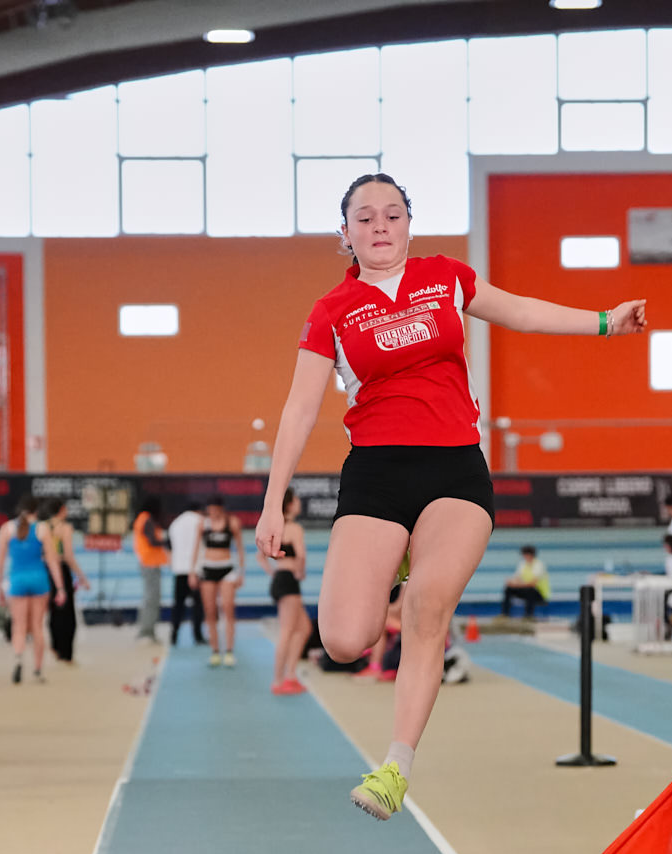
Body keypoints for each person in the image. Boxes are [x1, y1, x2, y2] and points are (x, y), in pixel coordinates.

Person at [254, 171, 647, 820]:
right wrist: (273, 502)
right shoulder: (331, 312)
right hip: (376, 473)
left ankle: (395, 766)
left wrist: (605, 321)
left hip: (453, 470)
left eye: (392, 214)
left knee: (425, 608)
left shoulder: (446, 277)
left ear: (409, 223)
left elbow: (522, 311)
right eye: (365, 217)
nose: (380, 226)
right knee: (344, 640)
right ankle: (397, 557)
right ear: (345, 233)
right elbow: (298, 411)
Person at [0, 497, 58, 684]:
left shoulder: (7, 529)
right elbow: (52, 560)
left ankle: (18, 659)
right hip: (39, 580)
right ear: (36, 511)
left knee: (19, 626)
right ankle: (38, 670)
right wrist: (61, 587)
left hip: (17, 581)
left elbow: (0, 561)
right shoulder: (42, 529)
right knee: (38, 627)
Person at [268, 492, 311, 695]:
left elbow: (261, 555)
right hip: (288, 580)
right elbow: (301, 555)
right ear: (291, 504)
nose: (299, 503)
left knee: (304, 628)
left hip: (280, 578)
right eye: (297, 500)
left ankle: (290, 675)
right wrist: (300, 572)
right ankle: (278, 680)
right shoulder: (294, 528)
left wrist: (274, 572)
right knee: (287, 631)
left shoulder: (277, 528)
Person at [193, 495, 244, 666]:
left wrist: (241, 572)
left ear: (221, 509)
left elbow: (240, 548)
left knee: (228, 609)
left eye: (215, 510)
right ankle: (215, 651)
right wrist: (193, 571)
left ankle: (229, 651)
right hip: (208, 569)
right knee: (210, 611)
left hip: (226, 569)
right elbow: (197, 548)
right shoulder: (203, 524)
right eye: (210, 510)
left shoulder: (232, 523)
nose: (213, 513)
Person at [44, 499, 90, 664]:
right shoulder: (65, 528)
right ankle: (66, 653)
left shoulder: (43, 527)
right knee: (67, 614)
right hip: (61, 570)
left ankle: (55, 646)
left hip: (46, 570)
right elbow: (68, 556)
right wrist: (82, 577)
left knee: (53, 611)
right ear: (62, 510)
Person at [167, 499, 206, 646]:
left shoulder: (175, 523)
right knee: (198, 606)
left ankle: (174, 635)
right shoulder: (200, 521)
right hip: (196, 570)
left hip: (179, 569)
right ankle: (197, 635)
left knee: (178, 605)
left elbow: (169, 547)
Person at [132, 498, 167, 644]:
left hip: (149, 563)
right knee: (151, 599)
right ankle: (145, 632)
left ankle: (149, 631)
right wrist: (167, 541)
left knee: (151, 598)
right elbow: (152, 540)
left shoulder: (143, 519)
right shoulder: (146, 519)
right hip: (149, 563)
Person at [501, 545, 550, 619]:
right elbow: (517, 578)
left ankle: (529, 615)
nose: (524, 557)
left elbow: (532, 584)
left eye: (526, 554)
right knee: (508, 589)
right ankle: (505, 614)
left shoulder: (538, 565)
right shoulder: (523, 564)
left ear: (531, 555)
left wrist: (516, 585)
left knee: (530, 591)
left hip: (540, 594)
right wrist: (511, 582)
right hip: (526, 590)